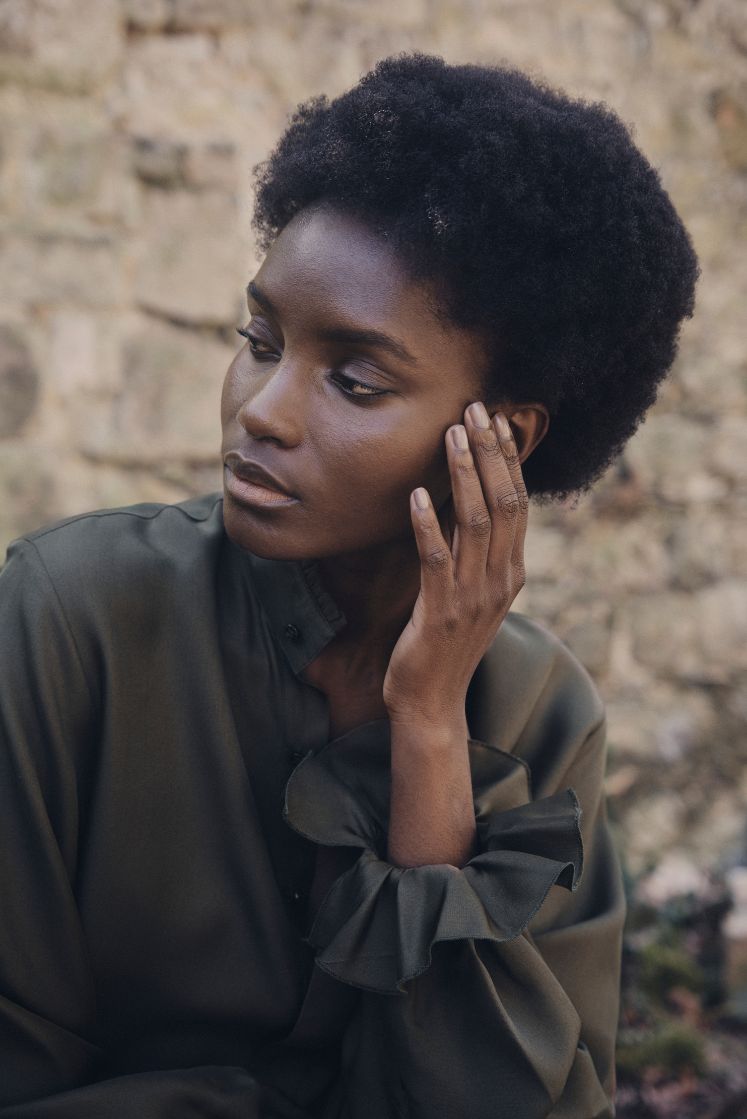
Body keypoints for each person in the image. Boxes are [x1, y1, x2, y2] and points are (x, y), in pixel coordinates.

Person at [0, 53, 698, 1118]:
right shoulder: (66, 619)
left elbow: (516, 1101)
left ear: (502, 437)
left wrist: (428, 726)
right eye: (259, 340)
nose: (262, 410)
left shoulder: (543, 716)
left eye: (355, 380)